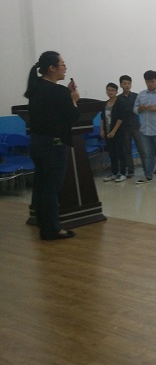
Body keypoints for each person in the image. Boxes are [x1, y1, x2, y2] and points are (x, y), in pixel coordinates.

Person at [24, 51, 80, 240]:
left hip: (37, 143)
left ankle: (44, 224)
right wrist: (73, 99)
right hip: (54, 144)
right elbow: (73, 116)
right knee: (52, 188)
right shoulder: (59, 91)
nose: (65, 68)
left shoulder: (36, 87)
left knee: (41, 186)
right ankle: (52, 229)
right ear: (52, 68)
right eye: (63, 64)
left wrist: (67, 95)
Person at [117, 75, 145, 178]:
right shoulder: (118, 99)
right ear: (121, 85)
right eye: (124, 83)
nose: (127, 85)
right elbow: (119, 113)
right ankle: (131, 170)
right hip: (124, 128)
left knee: (141, 149)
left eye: (129, 83)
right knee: (127, 150)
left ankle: (147, 169)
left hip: (136, 126)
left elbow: (139, 109)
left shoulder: (136, 96)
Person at [100, 83, 127, 182]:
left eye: (112, 90)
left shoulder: (120, 103)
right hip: (107, 132)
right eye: (108, 90)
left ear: (116, 91)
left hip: (118, 132)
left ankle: (123, 173)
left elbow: (121, 118)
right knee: (112, 153)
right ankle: (114, 173)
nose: (110, 92)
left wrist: (114, 131)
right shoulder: (105, 103)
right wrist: (102, 130)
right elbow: (102, 118)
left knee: (120, 152)